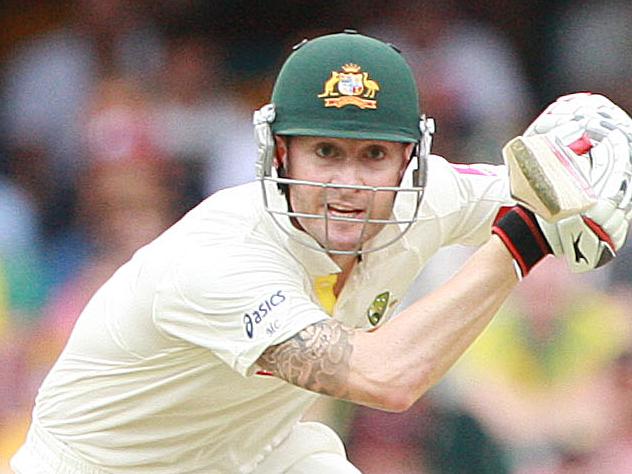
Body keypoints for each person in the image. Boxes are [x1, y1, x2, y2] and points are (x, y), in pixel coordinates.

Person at [10, 30, 632, 473]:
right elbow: (385, 377)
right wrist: (523, 242)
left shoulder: (425, 198)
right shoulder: (221, 257)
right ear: (280, 154)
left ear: (408, 160)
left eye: (373, 156)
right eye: (326, 153)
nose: (349, 188)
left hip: (255, 452)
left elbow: (552, 193)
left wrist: (589, 171)